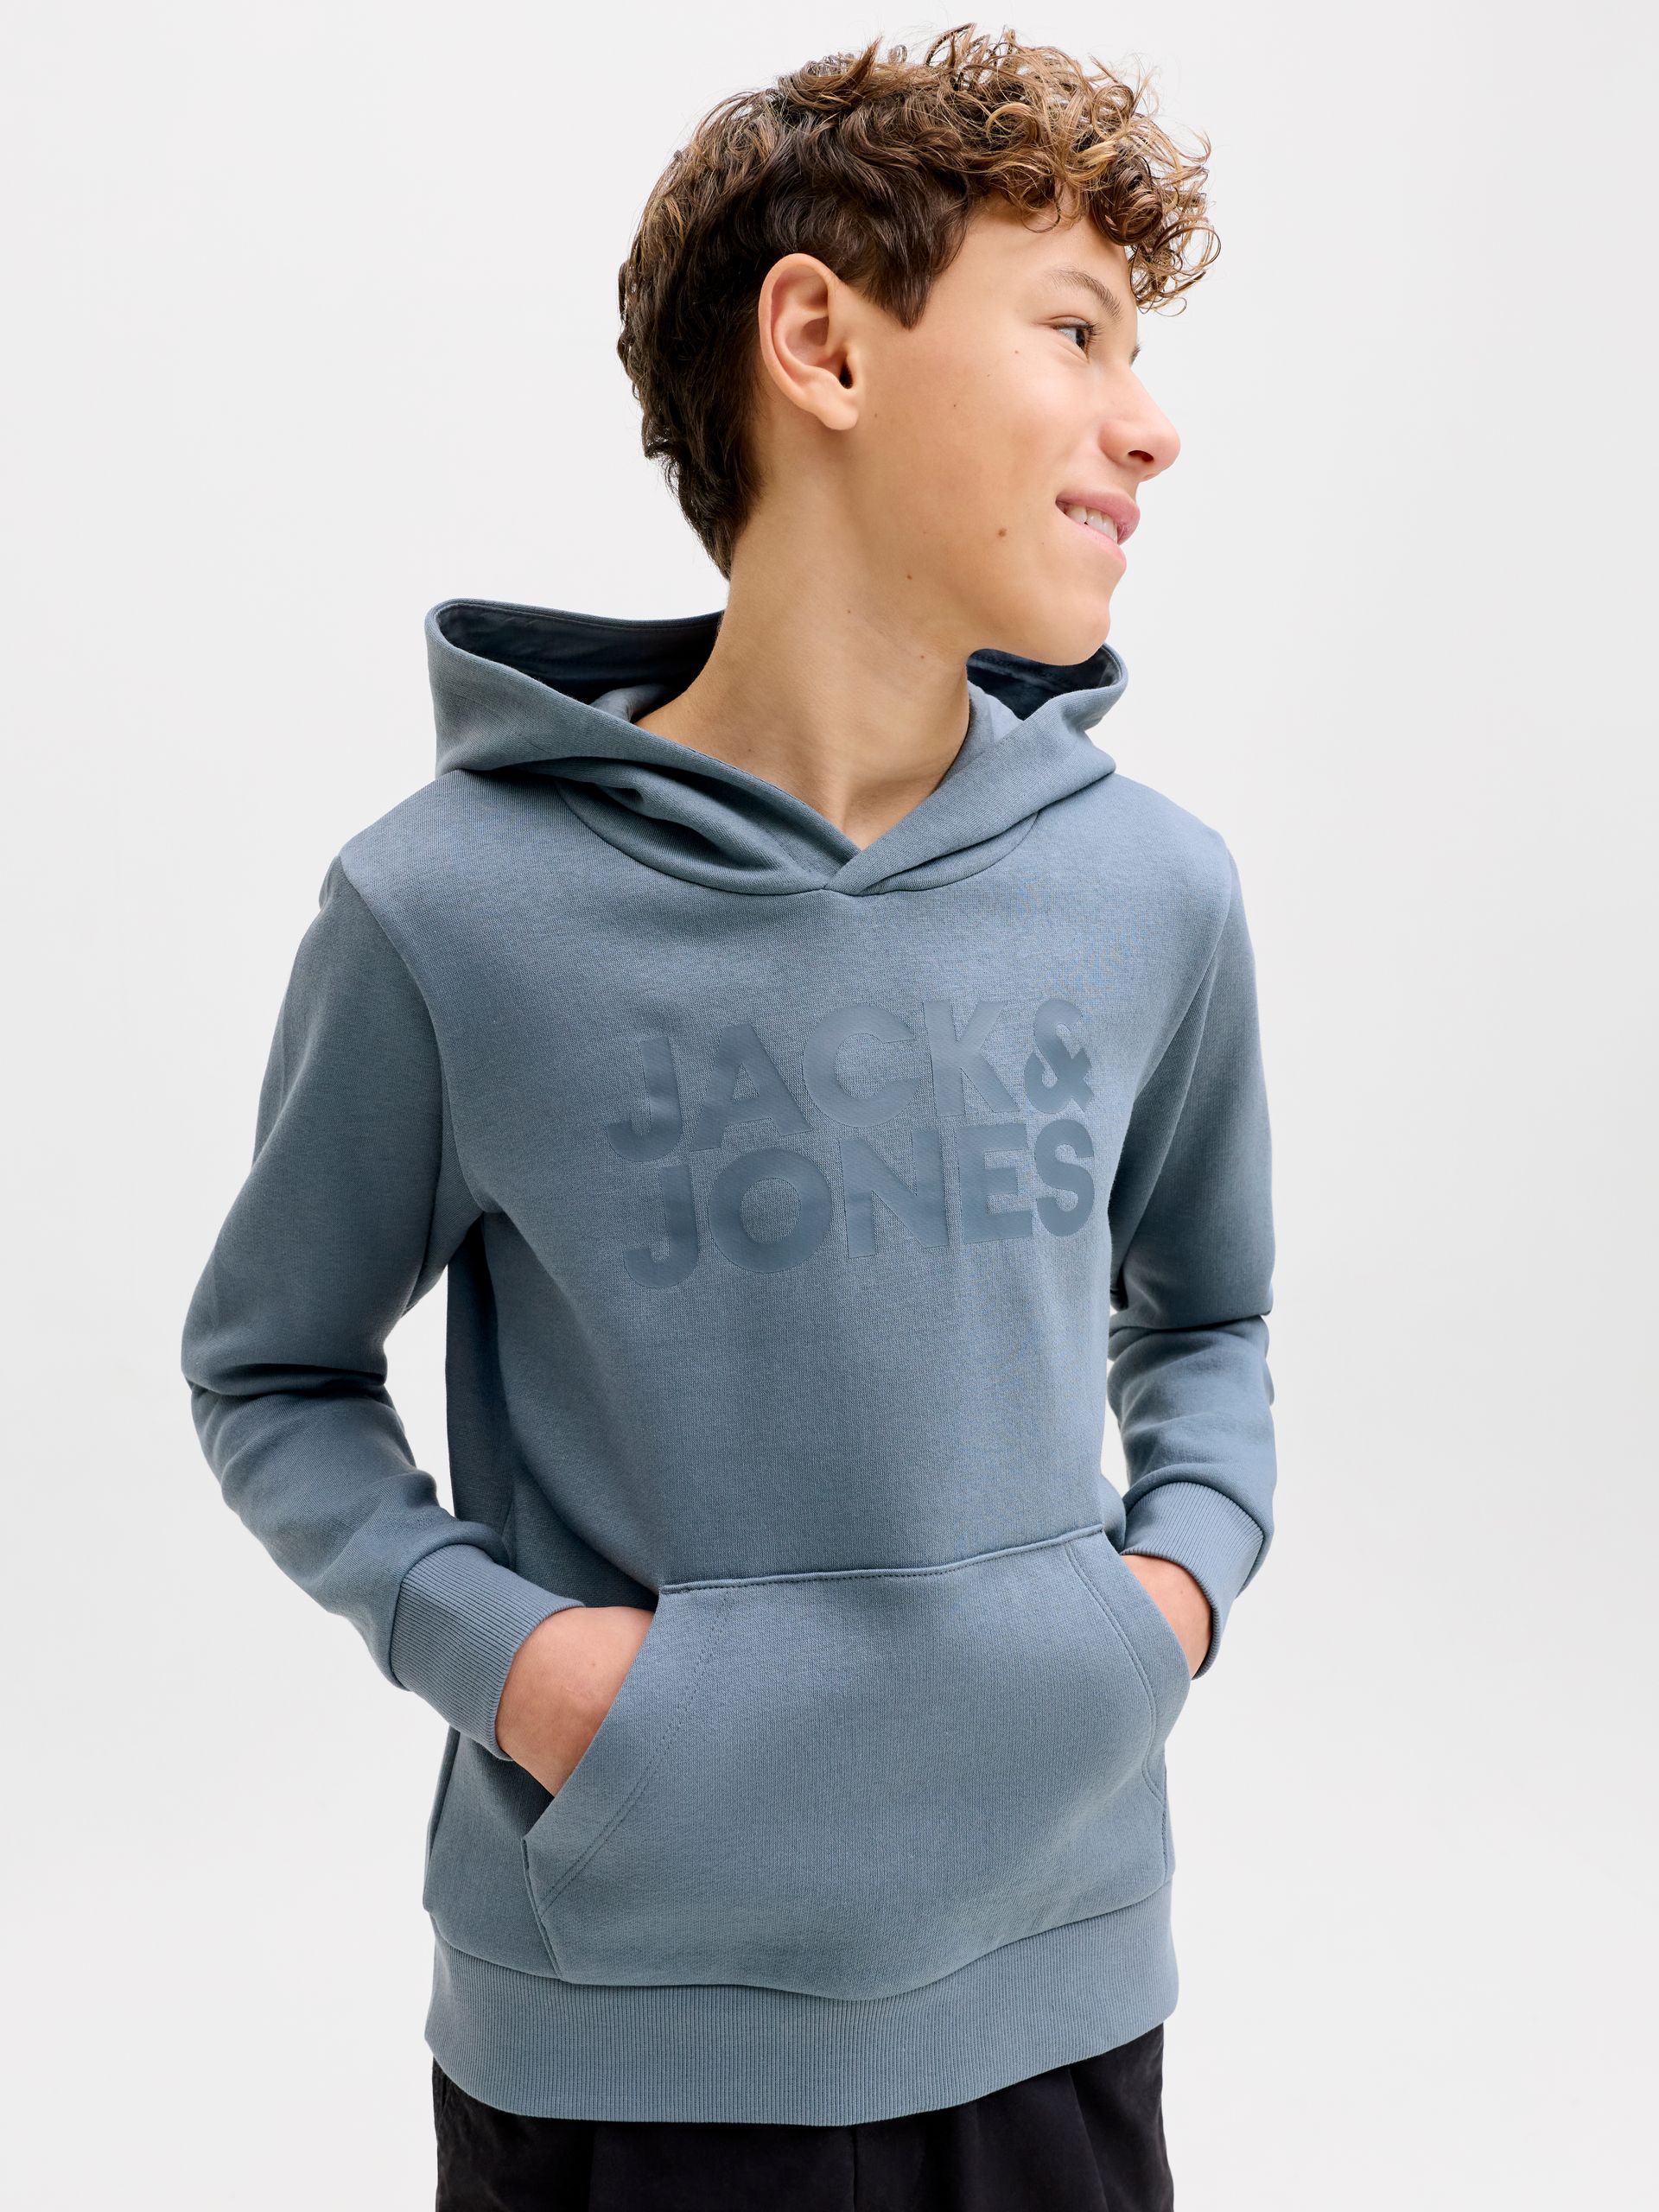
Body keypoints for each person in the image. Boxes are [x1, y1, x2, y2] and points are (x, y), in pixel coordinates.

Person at [181, 23, 1278, 2209]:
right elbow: (269, 1369)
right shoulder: (448, 910)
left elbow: (1213, 1315)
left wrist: (1165, 1597)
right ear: (823, 346)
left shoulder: (1151, 888)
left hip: (1058, 1992)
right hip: (622, 2042)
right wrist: (523, 1666)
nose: (1150, 420)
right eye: (1076, 330)